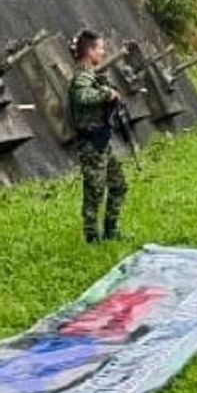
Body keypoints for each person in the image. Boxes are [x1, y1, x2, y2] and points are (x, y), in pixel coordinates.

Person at [68, 29, 127, 244]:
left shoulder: (93, 75)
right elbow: (82, 96)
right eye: (101, 48)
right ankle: (92, 236)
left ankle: (111, 230)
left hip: (102, 141)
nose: (103, 52)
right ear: (90, 50)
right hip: (91, 144)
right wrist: (106, 93)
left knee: (119, 185)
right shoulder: (82, 76)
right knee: (94, 191)